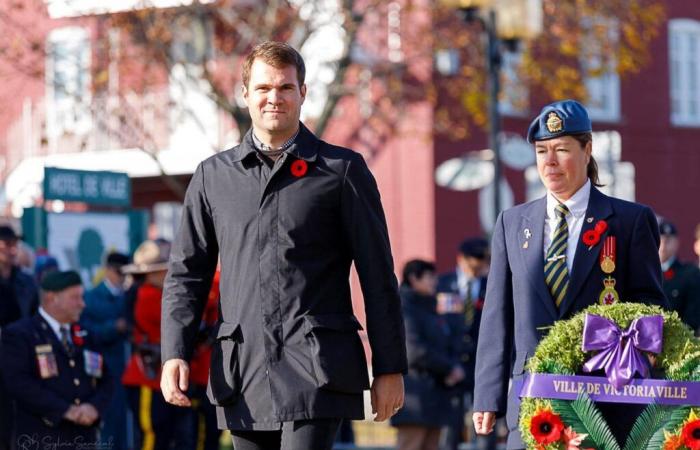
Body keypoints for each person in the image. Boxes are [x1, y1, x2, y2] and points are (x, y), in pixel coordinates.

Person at [160, 41, 407, 450]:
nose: (274, 98)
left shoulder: (342, 171)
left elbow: (378, 275)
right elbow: (187, 274)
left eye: (285, 88)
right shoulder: (213, 177)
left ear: (302, 93)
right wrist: (175, 352)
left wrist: (389, 367)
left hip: (318, 370)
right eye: (263, 88)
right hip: (243, 372)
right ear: (245, 95)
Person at [472, 99, 669, 448]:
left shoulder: (629, 221)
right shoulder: (513, 223)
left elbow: (651, 307)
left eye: (562, 149)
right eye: (541, 151)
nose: (549, 162)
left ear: (587, 149)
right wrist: (488, 396)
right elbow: (497, 315)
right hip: (533, 400)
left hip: (606, 398)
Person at [0, 270, 114, 445]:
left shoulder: (85, 334)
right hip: (41, 437)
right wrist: (65, 410)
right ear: (52, 298)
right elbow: (18, 383)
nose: (82, 304)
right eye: (75, 298)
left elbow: (106, 379)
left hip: (83, 438)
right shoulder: (21, 334)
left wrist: (94, 407)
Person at [122, 240, 193, 450]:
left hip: (156, 376)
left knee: (166, 436)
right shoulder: (148, 295)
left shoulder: (153, 294)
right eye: (162, 270)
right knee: (152, 437)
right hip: (147, 377)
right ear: (150, 274)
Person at [392, 259, 464, 450]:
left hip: (435, 396)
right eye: (429, 277)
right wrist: (449, 368)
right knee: (411, 444)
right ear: (413, 278)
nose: (435, 281)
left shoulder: (429, 306)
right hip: (414, 398)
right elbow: (413, 350)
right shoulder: (404, 307)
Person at [436, 238, 496, 450]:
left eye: (485, 260)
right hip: (451, 365)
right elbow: (436, 326)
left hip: (482, 364)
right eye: (476, 260)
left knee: (485, 424)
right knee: (449, 427)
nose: (481, 265)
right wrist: (445, 364)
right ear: (461, 259)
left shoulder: (492, 285)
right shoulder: (443, 284)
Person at [81, 251, 131, 450]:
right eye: (120, 272)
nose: (123, 277)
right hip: (103, 367)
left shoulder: (128, 296)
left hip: (127, 368)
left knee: (127, 421)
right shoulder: (91, 297)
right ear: (108, 270)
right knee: (107, 421)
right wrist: (113, 327)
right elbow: (85, 331)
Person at [657, 218, 700, 333]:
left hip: (678, 339)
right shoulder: (644, 273)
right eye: (660, 238)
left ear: (677, 243)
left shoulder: (690, 274)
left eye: (668, 239)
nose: (664, 244)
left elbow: (693, 317)